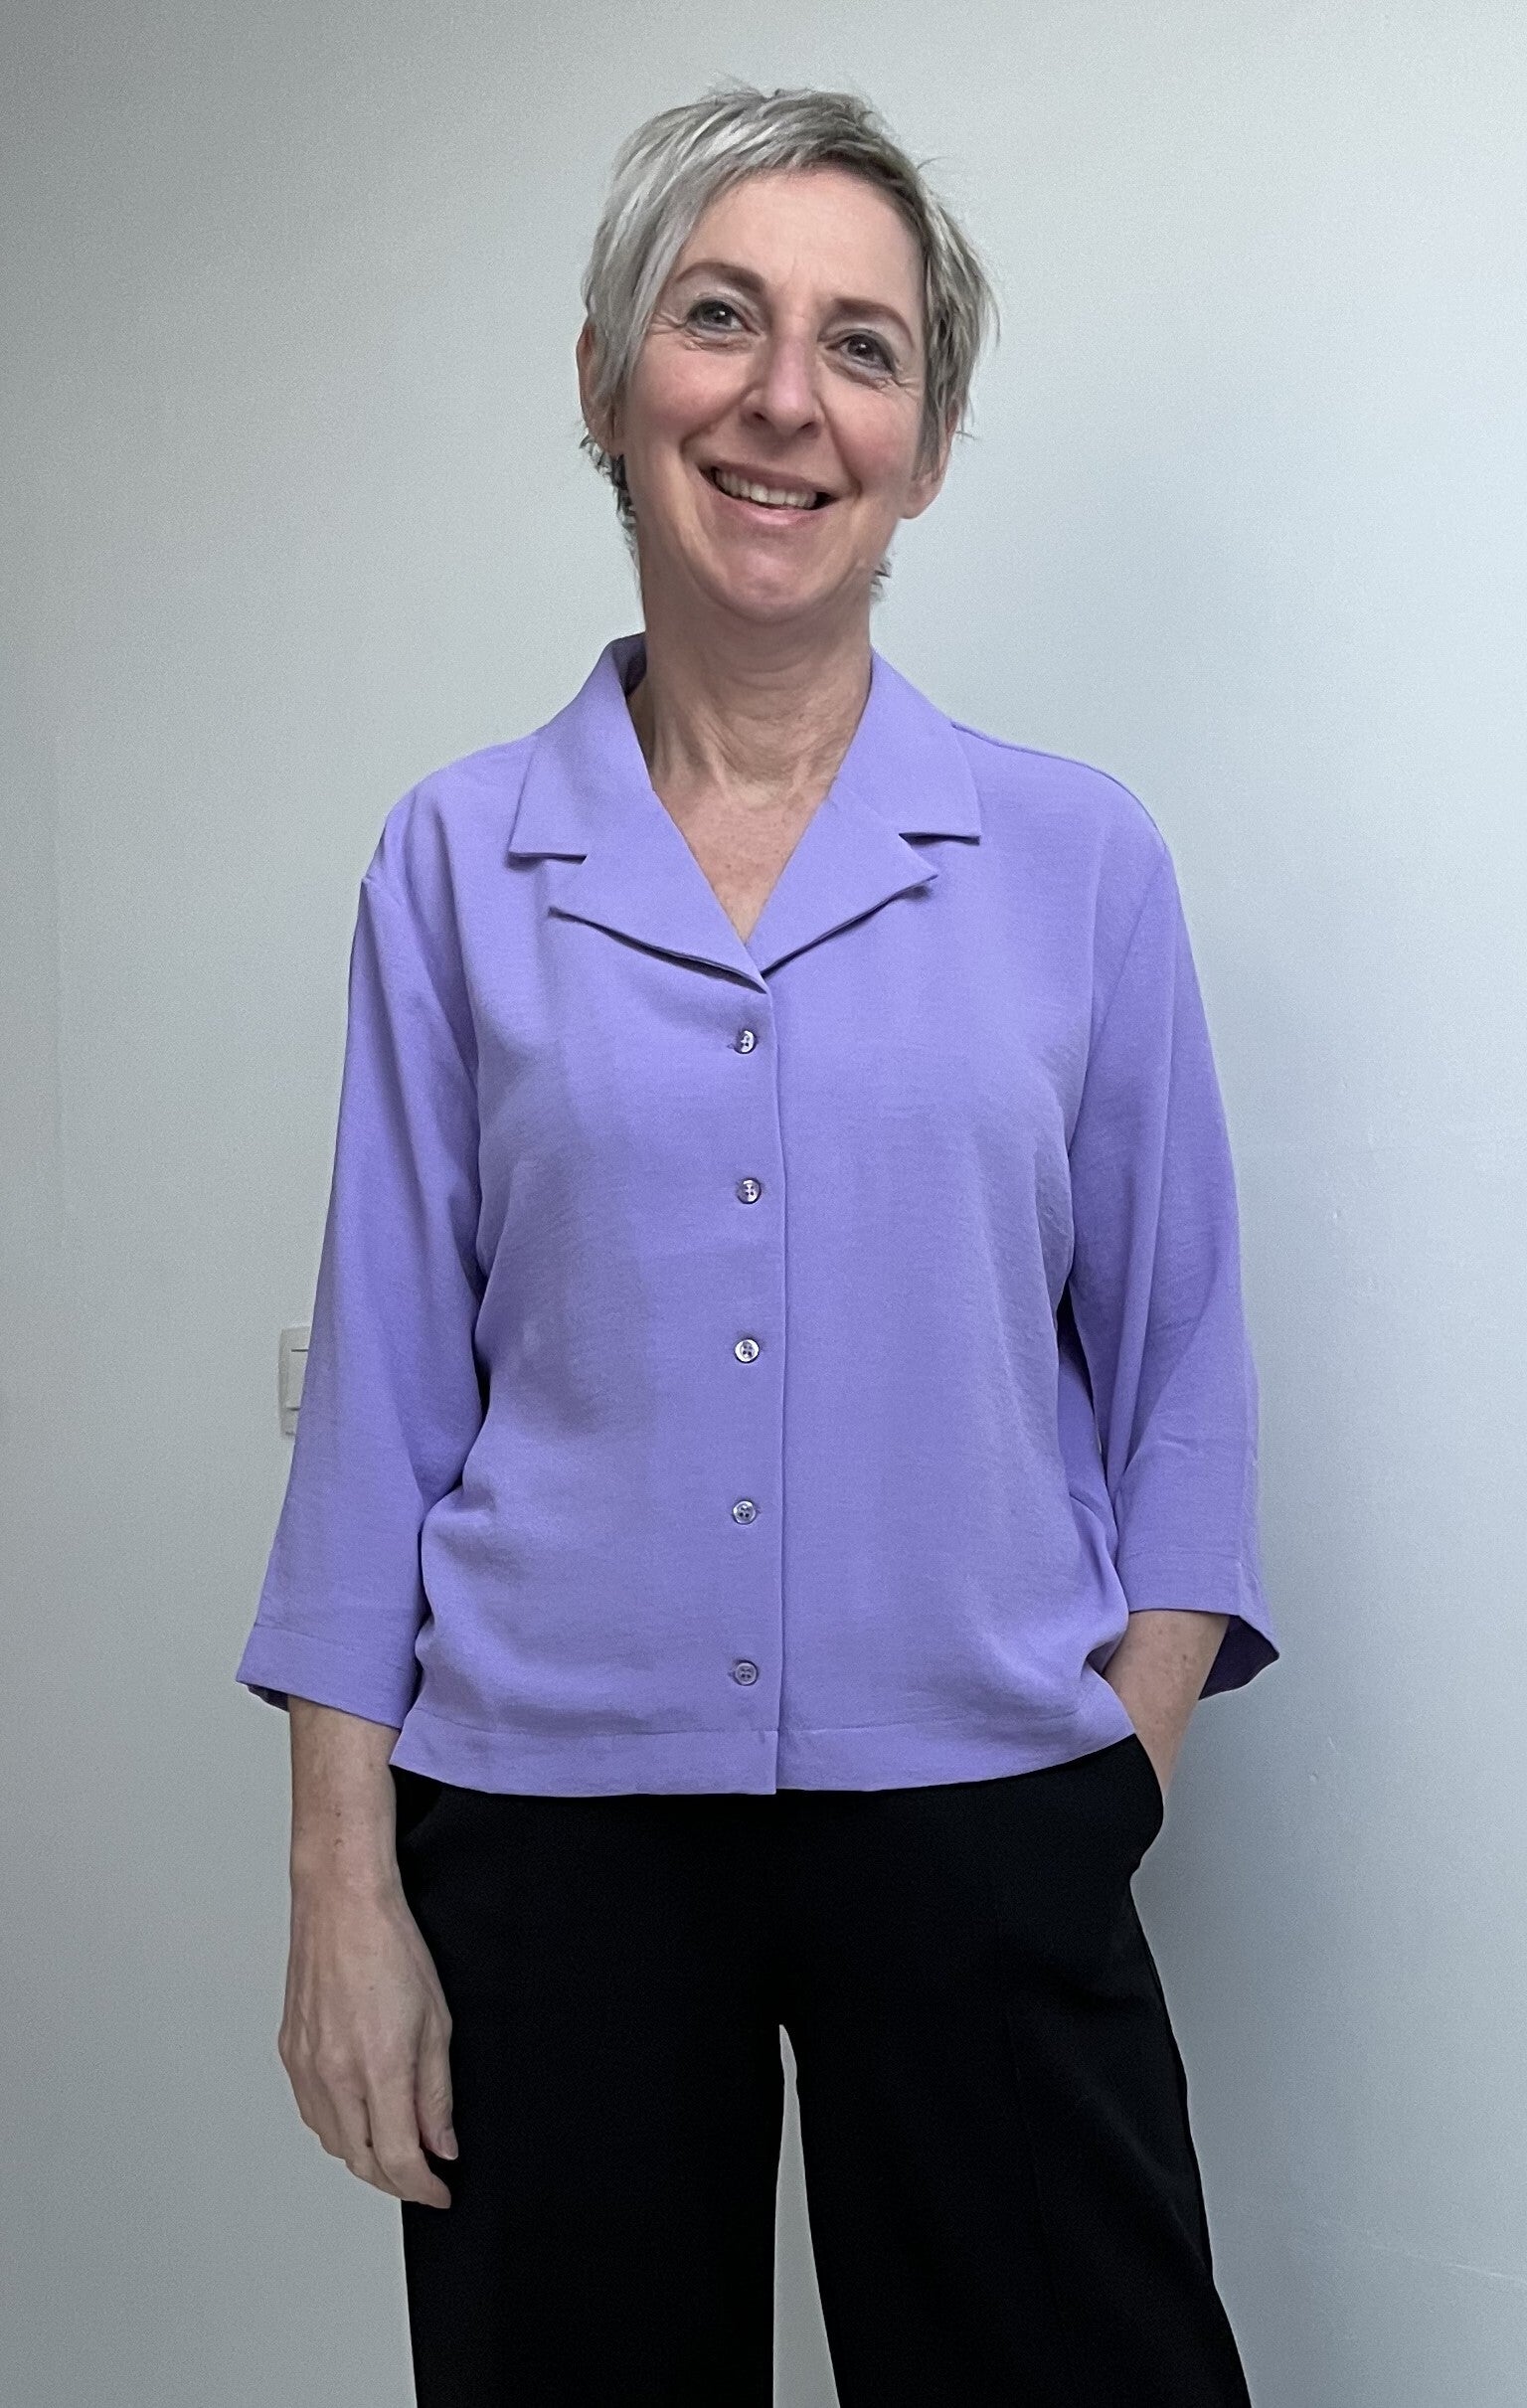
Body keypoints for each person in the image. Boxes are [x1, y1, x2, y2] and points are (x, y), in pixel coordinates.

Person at [237, 80, 1279, 2407]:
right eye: (721, 319)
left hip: (985, 1803)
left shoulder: (1077, 860)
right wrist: (342, 1881)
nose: (786, 397)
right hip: (546, 1829)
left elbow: (1183, 1365)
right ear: (609, 377)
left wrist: (1108, 1771)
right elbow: (383, 1397)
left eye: (862, 346)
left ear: (926, 440)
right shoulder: (453, 862)